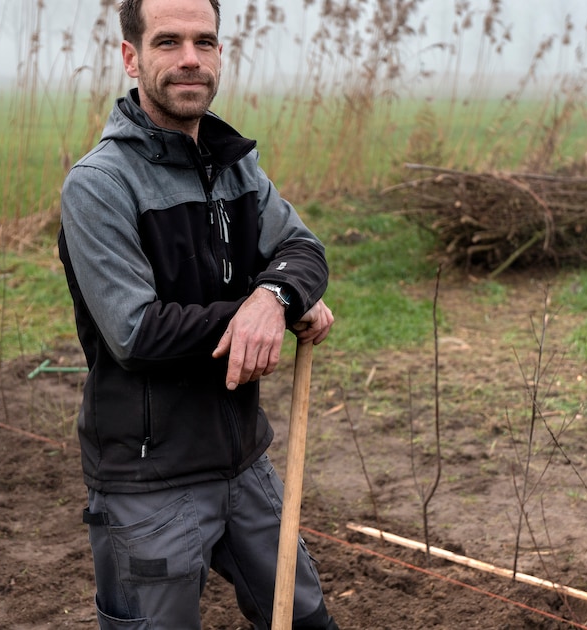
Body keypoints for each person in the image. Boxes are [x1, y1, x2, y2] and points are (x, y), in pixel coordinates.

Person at [57, 0, 338, 627]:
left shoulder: (234, 165)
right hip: (148, 481)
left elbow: (302, 249)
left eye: (204, 42)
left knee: (305, 617)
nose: (190, 58)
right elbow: (136, 332)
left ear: (219, 54)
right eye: (168, 42)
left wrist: (274, 298)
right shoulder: (99, 184)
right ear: (131, 57)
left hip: (242, 462)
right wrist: (257, 311)